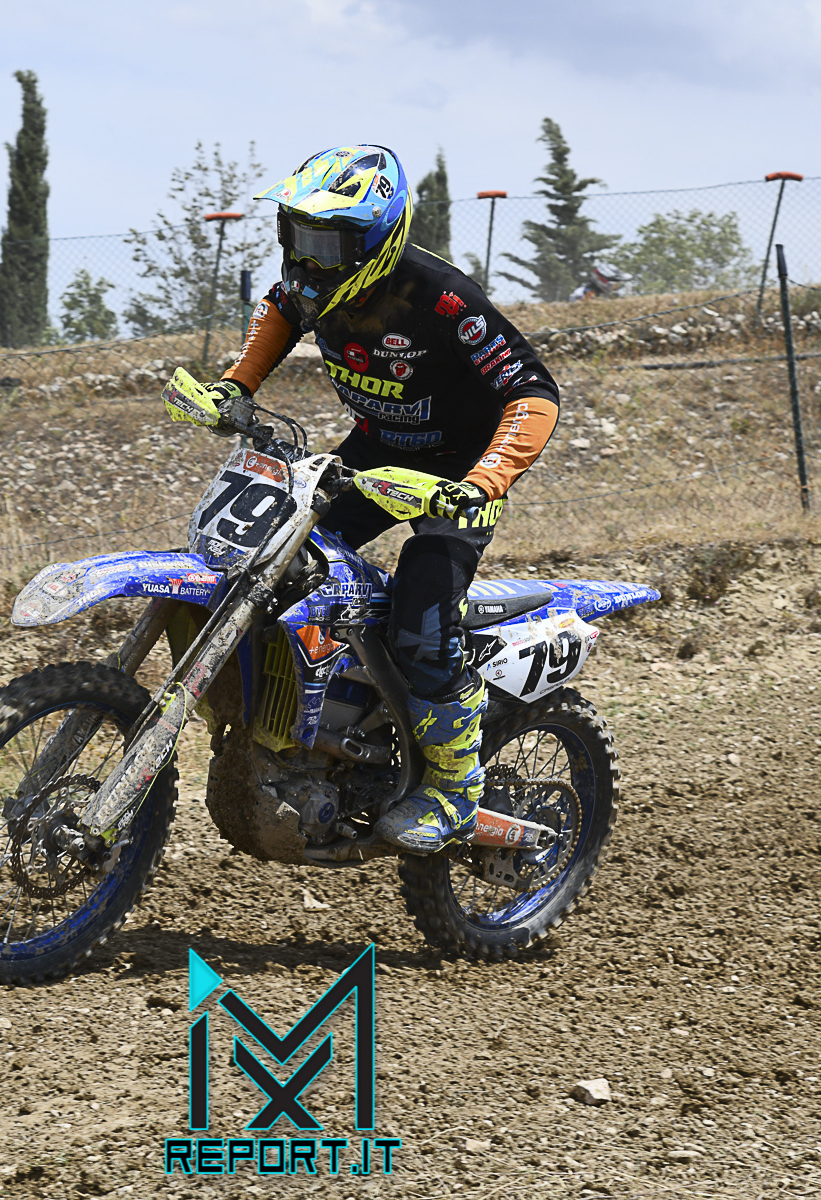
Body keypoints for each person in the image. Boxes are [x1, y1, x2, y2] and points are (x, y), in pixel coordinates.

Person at [197, 144, 561, 853]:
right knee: (272, 563)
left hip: (456, 473)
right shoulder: (311, 289)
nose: (308, 260)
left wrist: (483, 483)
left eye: (328, 243)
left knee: (422, 620)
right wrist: (237, 385)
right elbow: (279, 310)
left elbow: (533, 390)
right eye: (298, 234)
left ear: (377, 239)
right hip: (374, 453)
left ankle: (454, 789)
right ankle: (318, 728)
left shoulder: (441, 298)